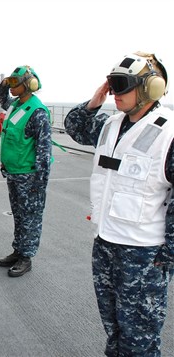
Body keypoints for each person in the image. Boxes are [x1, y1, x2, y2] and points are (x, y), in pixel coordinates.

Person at [64, 52, 174, 356]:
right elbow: (75, 126)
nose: (115, 92)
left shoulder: (169, 132)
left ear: (150, 88)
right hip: (106, 244)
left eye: (122, 85)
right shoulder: (110, 124)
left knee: (140, 338)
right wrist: (94, 101)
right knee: (113, 328)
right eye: (112, 84)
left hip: (144, 253)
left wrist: (168, 255)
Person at [0, 65, 52, 278]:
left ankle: (26, 257)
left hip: (30, 175)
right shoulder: (16, 106)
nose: (11, 87)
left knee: (30, 216)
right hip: (14, 172)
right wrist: (3, 84)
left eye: (15, 83)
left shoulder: (37, 112)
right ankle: (18, 250)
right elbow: (3, 101)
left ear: (29, 85)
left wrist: (39, 182)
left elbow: (44, 151)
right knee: (19, 215)